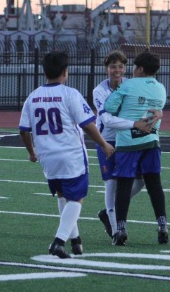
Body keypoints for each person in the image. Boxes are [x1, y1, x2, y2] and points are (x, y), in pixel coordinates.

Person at [19, 50, 114, 259]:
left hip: (46, 156)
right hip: (70, 154)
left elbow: (24, 130)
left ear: (45, 72)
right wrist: (103, 144)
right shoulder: (70, 94)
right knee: (77, 198)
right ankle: (59, 241)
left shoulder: (32, 97)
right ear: (65, 71)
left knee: (63, 195)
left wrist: (31, 152)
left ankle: (75, 240)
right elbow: (87, 125)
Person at [92, 50, 161, 238]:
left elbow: (147, 106)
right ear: (106, 69)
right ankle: (116, 230)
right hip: (107, 140)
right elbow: (107, 120)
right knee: (111, 183)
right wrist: (134, 124)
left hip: (129, 140)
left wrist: (158, 112)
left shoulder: (130, 85)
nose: (117, 70)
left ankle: (109, 211)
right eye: (113, 66)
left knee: (140, 180)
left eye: (121, 66)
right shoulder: (99, 91)